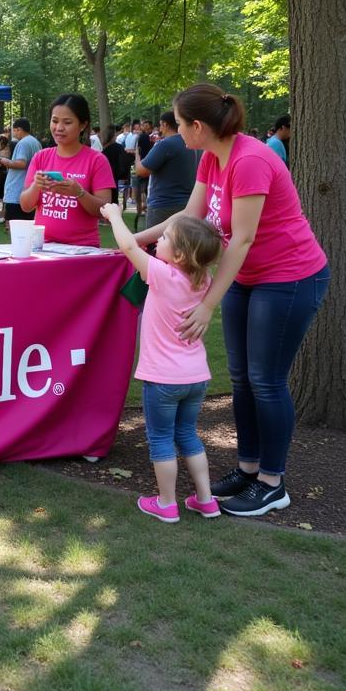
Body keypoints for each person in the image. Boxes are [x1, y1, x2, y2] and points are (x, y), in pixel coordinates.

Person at [134, 84, 330, 517]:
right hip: (248, 277)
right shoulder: (209, 156)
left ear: (198, 126)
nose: (176, 132)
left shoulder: (251, 159)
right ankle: (248, 469)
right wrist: (133, 241)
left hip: (290, 277)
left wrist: (206, 305)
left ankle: (272, 482)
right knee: (241, 377)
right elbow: (188, 218)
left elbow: (241, 241)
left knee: (266, 379)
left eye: (180, 124)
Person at [101, 202, 223, 523]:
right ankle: (205, 499)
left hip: (164, 380)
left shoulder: (161, 274)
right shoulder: (203, 281)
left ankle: (167, 503)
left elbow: (128, 245)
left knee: (160, 438)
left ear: (180, 256)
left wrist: (114, 215)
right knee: (188, 434)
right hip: (196, 377)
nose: (159, 242)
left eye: (165, 238)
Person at [21, 94, 114, 246]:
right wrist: (36, 186)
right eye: (55, 121)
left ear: (83, 125)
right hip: (43, 247)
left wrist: (79, 193)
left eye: (67, 122)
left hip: (81, 249)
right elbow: (25, 206)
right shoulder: (41, 157)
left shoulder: (96, 160)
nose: (59, 128)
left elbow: (105, 210)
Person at [135, 111, 199, 231]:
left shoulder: (165, 145)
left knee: (155, 246)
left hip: (163, 205)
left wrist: (137, 156)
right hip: (189, 204)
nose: (160, 128)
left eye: (160, 125)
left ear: (165, 124)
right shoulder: (194, 144)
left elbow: (141, 171)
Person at [0, 117, 41, 225]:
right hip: (28, 191)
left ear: (19, 129)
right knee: (28, 227)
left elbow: (22, 163)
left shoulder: (23, 143)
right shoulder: (35, 142)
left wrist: (5, 161)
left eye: (14, 130)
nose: (14, 133)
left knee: (14, 227)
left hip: (17, 193)